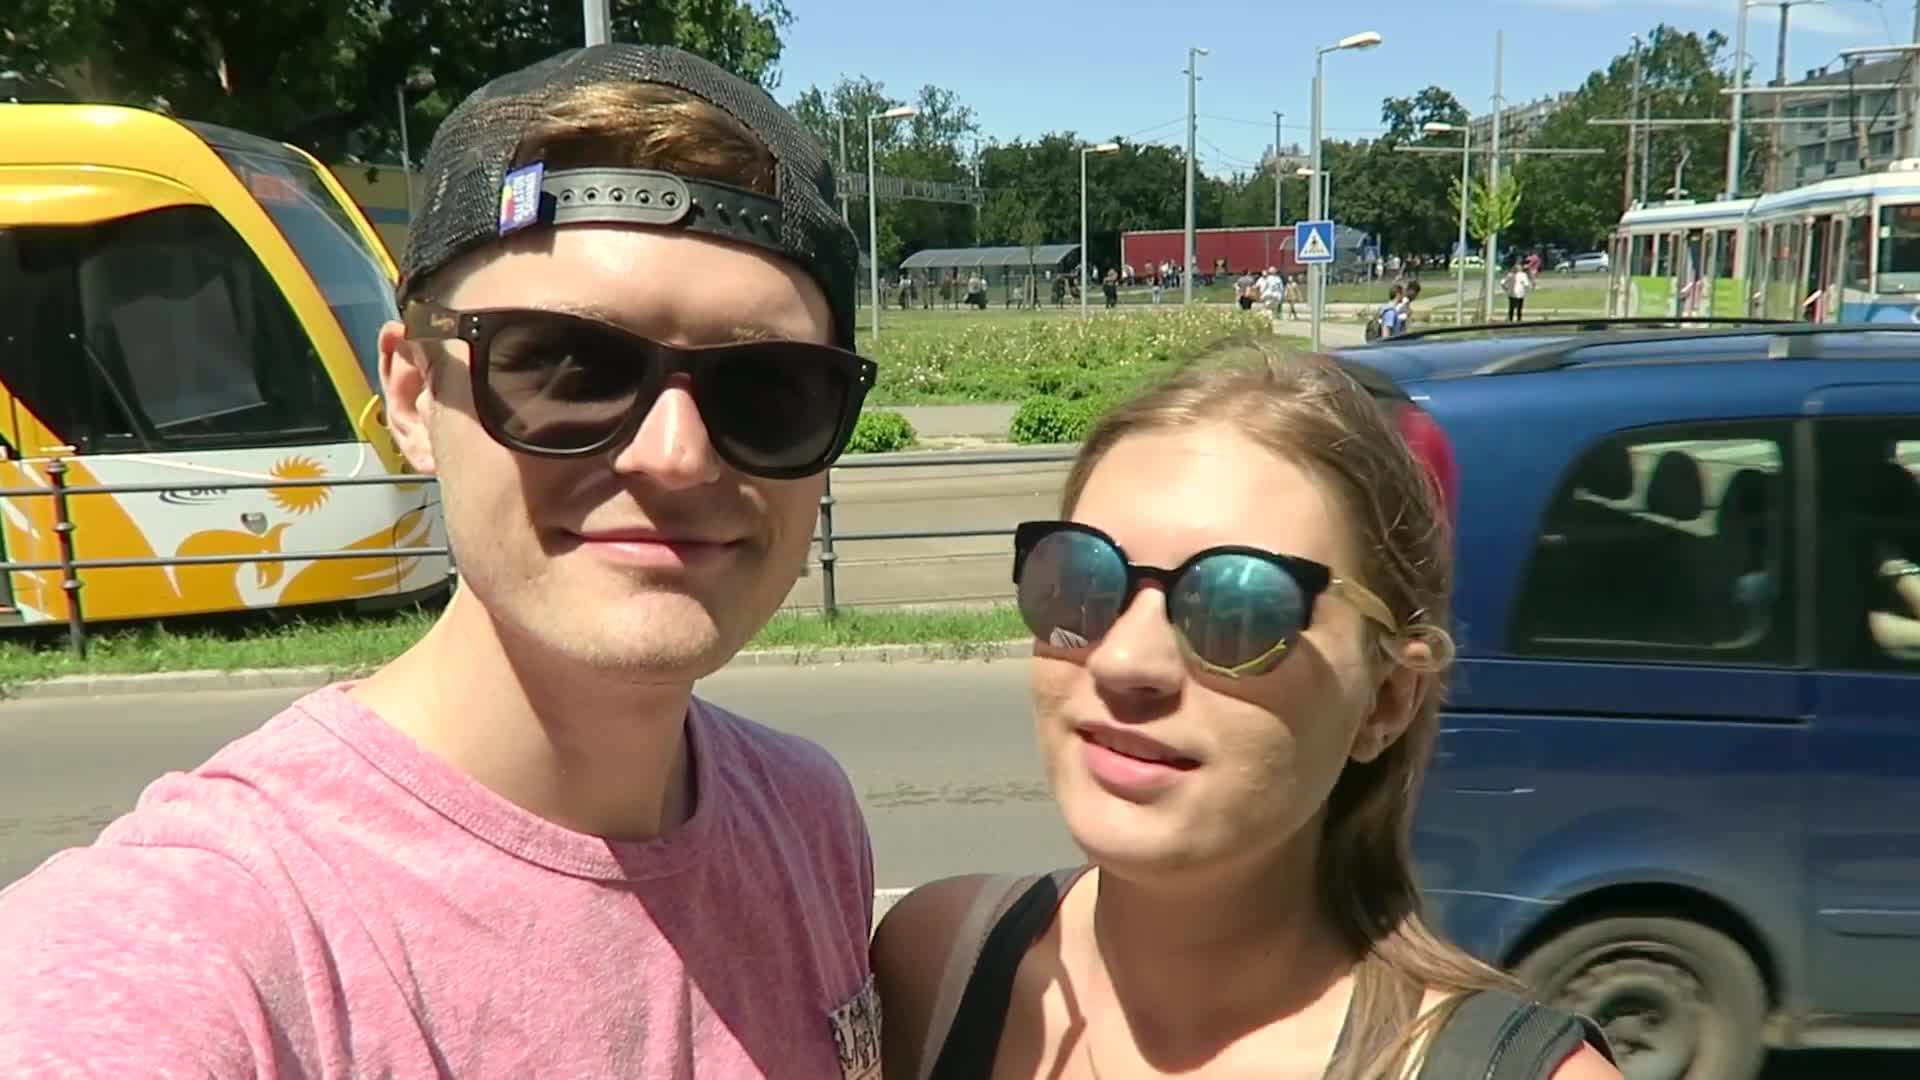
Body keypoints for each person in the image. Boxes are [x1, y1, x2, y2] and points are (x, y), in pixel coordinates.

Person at [0, 43, 884, 1078]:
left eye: (770, 390)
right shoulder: (205, 939)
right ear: (414, 397)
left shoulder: (807, 820)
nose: (676, 456)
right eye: (564, 367)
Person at [873, 340, 1619, 1080]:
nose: (1126, 660)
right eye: (1079, 581)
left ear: (1386, 700)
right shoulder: (934, 972)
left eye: (1238, 608)